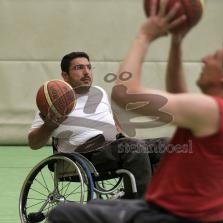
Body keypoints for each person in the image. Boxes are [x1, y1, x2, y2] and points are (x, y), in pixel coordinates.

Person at [48, 1, 223, 223]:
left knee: (62, 213)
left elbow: (124, 94)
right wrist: (176, 42)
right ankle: (138, 196)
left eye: (214, 57)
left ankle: (139, 198)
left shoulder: (211, 110)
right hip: (198, 215)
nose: (205, 59)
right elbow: (178, 94)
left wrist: (145, 35)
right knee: (160, 147)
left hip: (165, 216)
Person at [28, 51, 155, 198]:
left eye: (89, 67)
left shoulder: (99, 92)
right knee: (135, 148)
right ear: (65, 75)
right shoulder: (54, 105)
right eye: (79, 68)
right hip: (85, 155)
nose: (86, 72)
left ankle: (148, 200)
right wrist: (49, 125)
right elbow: (34, 143)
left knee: (166, 146)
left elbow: (112, 118)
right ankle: (140, 209)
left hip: (115, 147)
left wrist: (124, 136)